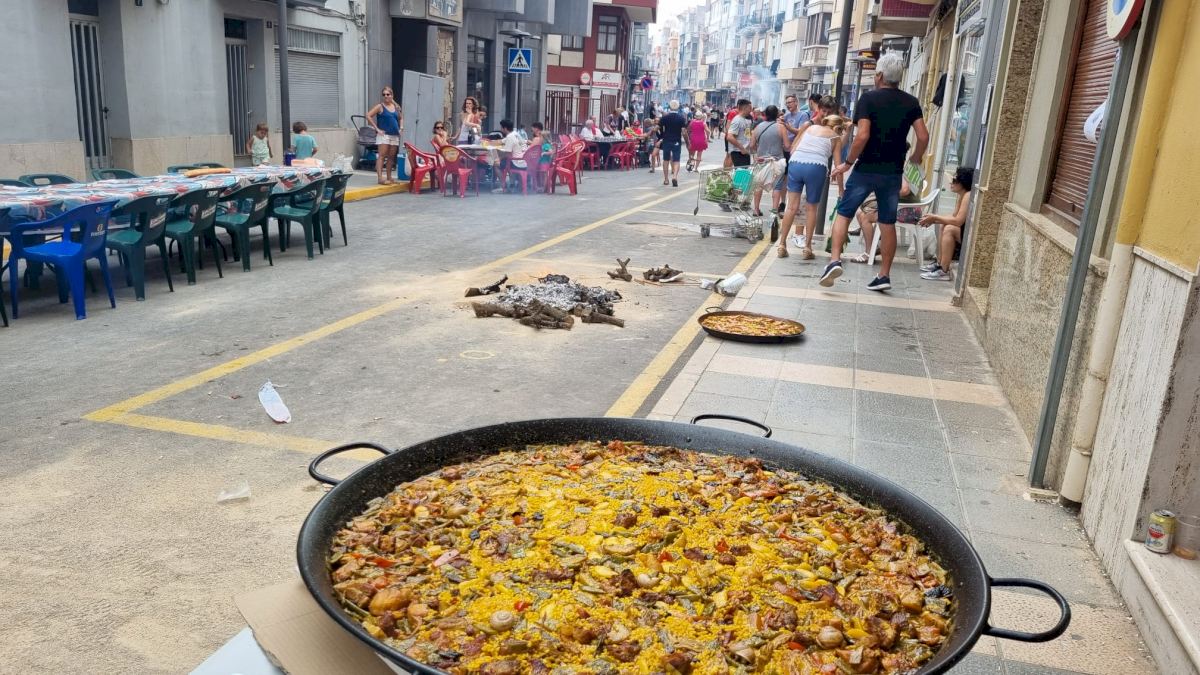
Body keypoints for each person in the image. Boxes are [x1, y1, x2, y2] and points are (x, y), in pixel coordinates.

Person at [822, 52, 930, 292]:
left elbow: (862, 136)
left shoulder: (868, 99)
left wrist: (848, 162)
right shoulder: (911, 102)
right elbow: (923, 136)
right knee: (887, 222)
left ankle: (834, 261)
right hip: (893, 172)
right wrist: (916, 157)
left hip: (866, 169)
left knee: (844, 213)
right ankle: (884, 275)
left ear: (880, 75)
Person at [777, 114, 847, 259]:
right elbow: (838, 166)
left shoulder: (811, 128)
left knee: (791, 207)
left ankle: (782, 244)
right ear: (839, 128)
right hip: (816, 167)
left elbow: (793, 149)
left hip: (796, 163)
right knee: (812, 208)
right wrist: (841, 189)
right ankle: (807, 248)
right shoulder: (835, 138)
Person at [919, 166, 975, 280]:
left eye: (954, 180)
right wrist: (934, 220)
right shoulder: (962, 195)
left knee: (949, 229)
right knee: (944, 224)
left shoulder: (968, 195)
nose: (951, 183)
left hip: (973, 236)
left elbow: (958, 221)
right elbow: (953, 217)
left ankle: (944, 270)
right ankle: (940, 263)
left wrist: (935, 217)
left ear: (963, 182)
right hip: (966, 232)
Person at [750, 105, 787, 217]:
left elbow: (751, 145)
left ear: (765, 114)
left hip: (761, 161)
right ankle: (774, 211)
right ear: (777, 115)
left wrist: (759, 149)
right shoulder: (781, 127)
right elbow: (787, 146)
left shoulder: (758, 128)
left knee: (759, 185)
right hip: (777, 161)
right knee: (777, 186)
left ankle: (756, 209)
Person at [367, 86, 403, 185]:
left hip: (394, 135)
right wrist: (377, 129)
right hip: (384, 135)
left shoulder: (396, 107)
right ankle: (380, 178)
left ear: (392, 95)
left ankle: (389, 177)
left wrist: (401, 128)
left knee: (391, 157)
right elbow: (368, 115)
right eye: (384, 94)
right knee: (382, 156)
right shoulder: (380, 106)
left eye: (388, 94)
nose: (386, 96)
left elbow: (401, 118)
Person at [657, 100, 688, 187]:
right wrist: (687, 142)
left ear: (669, 107)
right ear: (678, 107)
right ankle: (674, 176)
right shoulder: (681, 118)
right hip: (676, 141)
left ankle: (666, 179)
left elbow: (657, 128)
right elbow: (684, 132)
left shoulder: (664, 118)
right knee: (676, 160)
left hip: (666, 141)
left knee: (666, 160)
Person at [725, 99, 754, 168]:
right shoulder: (737, 120)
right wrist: (742, 148)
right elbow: (730, 137)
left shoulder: (746, 120)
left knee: (744, 172)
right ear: (745, 108)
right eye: (750, 108)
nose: (751, 110)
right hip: (738, 152)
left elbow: (747, 134)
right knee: (742, 173)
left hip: (745, 151)